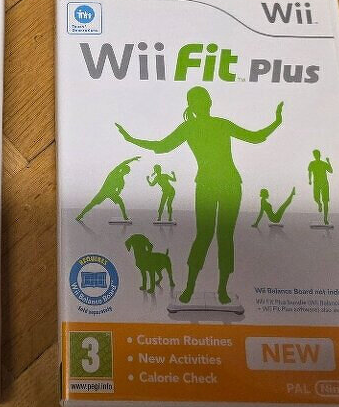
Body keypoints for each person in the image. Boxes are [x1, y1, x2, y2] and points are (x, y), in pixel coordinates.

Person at [118, 89, 282, 306]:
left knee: (223, 236)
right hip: (208, 184)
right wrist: (130, 139)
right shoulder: (191, 127)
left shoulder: (218, 124)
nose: (202, 104)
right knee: (206, 235)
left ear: (209, 102)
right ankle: (190, 287)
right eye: (198, 101)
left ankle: (221, 289)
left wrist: (277, 121)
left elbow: (255, 137)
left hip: (229, 184)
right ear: (194, 106)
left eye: (203, 100)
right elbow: (162, 146)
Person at [75, 156, 139, 223]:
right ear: (122, 170)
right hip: (103, 192)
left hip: (112, 193)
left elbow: (119, 190)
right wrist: (132, 159)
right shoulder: (114, 173)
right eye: (125, 171)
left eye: (126, 172)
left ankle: (124, 216)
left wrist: (116, 193)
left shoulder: (121, 181)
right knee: (92, 204)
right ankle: (81, 215)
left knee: (121, 202)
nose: (125, 173)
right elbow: (123, 163)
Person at [308, 149, 334, 225]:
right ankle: (319, 204)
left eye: (317, 155)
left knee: (325, 202)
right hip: (316, 183)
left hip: (324, 184)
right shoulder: (312, 163)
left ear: (319, 155)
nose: (316, 156)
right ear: (314, 156)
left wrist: (328, 162)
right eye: (315, 155)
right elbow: (310, 172)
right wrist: (309, 180)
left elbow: (331, 171)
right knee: (316, 198)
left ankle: (325, 219)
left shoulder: (323, 163)